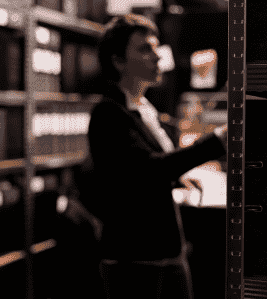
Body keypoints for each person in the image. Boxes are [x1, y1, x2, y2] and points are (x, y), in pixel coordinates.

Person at [83, 14, 228, 299]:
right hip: (135, 262)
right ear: (118, 61)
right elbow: (146, 170)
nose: (157, 57)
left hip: (164, 254)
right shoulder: (109, 114)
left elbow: (141, 173)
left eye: (156, 47)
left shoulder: (144, 109)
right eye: (145, 49)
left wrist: (178, 180)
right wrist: (218, 141)